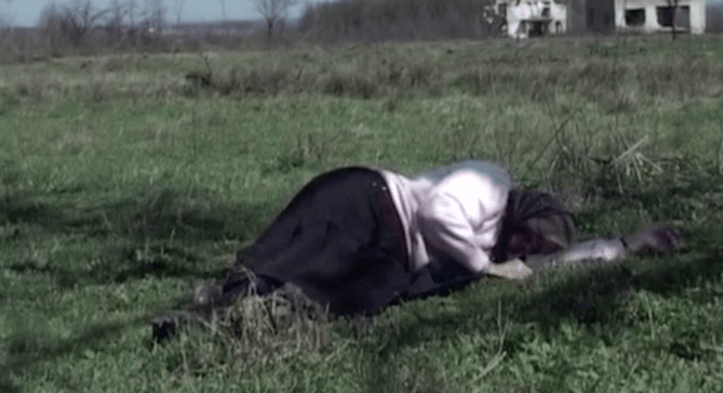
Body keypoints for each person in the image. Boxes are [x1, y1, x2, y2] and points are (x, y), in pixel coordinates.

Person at [188, 160, 681, 318]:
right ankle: (204, 310)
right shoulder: (492, 183)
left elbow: (549, 265)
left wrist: (626, 244)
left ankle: (211, 311)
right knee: (268, 273)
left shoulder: (496, 241)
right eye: (531, 240)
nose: (528, 252)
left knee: (306, 297)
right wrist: (482, 265)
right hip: (366, 206)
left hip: (380, 238)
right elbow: (435, 210)